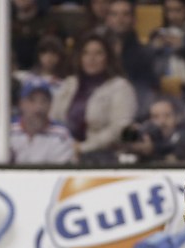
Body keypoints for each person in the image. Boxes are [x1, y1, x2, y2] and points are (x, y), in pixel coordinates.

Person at [49, 33, 135, 164]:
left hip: (103, 156)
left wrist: (83, 147)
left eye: (98, 53)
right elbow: (53, 118)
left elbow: (118, 128)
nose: (91, 58)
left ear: (108, 58)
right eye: (86, 53)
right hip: (64, 152)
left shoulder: (120, 87)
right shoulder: (69, 83)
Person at [0, 77, 74, 164]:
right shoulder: (3, 132)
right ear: (21, 104)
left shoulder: (61, 135)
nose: (38, 108)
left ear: (50, 105)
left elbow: (62, 176)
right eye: (32, 100)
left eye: (44, 100)